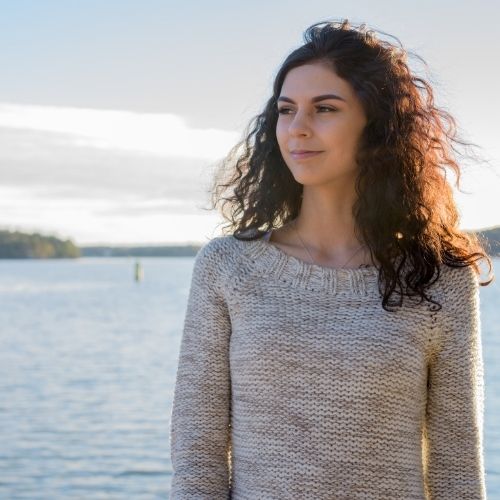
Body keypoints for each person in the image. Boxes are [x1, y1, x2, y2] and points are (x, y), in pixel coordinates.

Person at [169, 18, 493, 499]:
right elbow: (198, 456)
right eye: (285, 110)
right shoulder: (228, 267)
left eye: (324, 109)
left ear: (376, 126)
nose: (297, 129)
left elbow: (457, 469)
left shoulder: (440, 278)